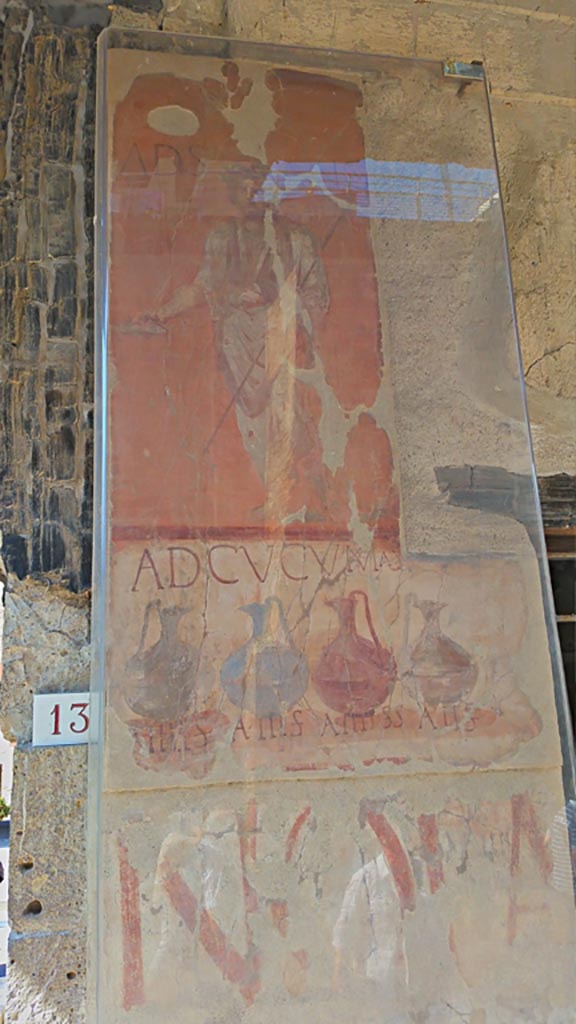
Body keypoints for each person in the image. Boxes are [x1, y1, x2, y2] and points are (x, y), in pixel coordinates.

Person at [143, 160, 333, 523]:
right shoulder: (223, 238)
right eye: (242, 189)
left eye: (257, 189)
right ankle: (279, 499)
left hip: (283, 342)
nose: (250, 197)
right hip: (237, 347)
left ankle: (312, 497)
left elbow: (317, 298)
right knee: (254, 423)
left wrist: (277, 299)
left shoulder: (298, 239)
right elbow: (202, 286)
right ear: (233, 193)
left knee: (292, 419)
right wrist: (163, 313)